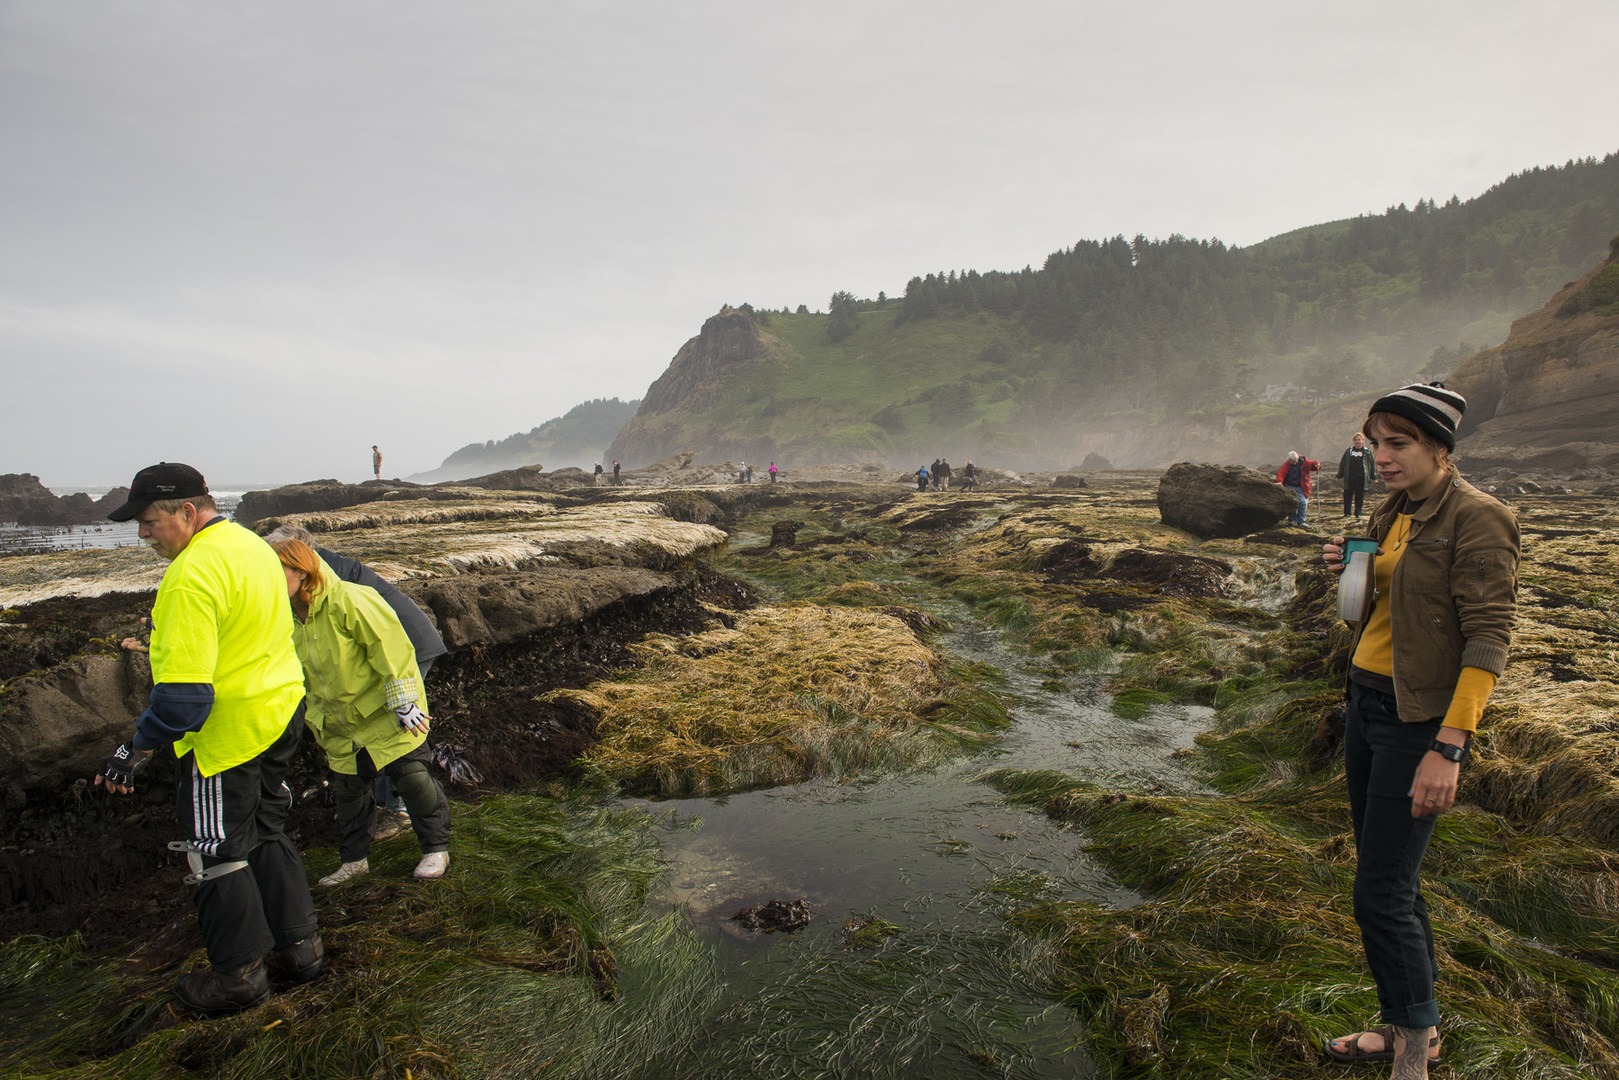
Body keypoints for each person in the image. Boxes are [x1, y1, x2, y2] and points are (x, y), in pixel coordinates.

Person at [1319, 384, 1519, 1078]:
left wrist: (1449, 746)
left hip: (1417, 724)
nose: (1382, 457)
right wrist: (1353, 573)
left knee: (1378, 893)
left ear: (1439, 447)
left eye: (1398, 443)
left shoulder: (1478, 517)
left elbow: (1488, 637)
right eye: (1376, 443)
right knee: (1392, 883)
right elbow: (1373, 613)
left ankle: (1411, 1057)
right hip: (1366, 704)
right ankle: (1416, 1026)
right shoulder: (1392, 510)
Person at [96, 463, 322, 1015]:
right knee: (265, 829)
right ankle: (301, 951)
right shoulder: (253, 547)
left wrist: (134, 748)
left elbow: (183, 702)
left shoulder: (189, 575)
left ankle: (239, 978)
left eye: (148, 521)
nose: (142, 534)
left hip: (226, 735)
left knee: (216, 850)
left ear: (186, 511)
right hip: (280, 712)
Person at [271, 538, 452, 885]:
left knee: (412, 778)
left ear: (301, 570)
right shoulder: (283, 617)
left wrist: (404, 702)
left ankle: (435, 849)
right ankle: (354, 862)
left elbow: (390, 648)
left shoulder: (349, 599)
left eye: (276, 571)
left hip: (382, 711)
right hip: (337, 723)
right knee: (349, 793)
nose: (268, 580)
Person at [1275, 450, 1321, 526]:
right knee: (1292, 503)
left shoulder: (1304, 462)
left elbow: (1312, 465)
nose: (1294, 463)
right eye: (1292, 462)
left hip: (1301, 486)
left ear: (1298, 458)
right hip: (1289, 486)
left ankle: (1301, 522)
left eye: (1295, 461)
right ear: (1289, 460)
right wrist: (1279, 481)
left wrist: (1316, 465)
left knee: (1303, 503)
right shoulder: (1286, 464)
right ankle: (1292, 520)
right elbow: (1281, 473)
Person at [1338, 433, 1376, 519]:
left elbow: (1372, 464)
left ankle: (1358, 513)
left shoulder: (1367, 452)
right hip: (1349, 477)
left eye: (1359, 440)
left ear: (1363, 441)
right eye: (1356, 440)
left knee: (1360, 495)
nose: (1357, 441)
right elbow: (1343, 463)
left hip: (1362, 477)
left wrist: (1373, 476)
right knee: (1347, 494)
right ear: (1353, 441)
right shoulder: (1349, 451)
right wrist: (1340, 474)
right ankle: (1347, 513)